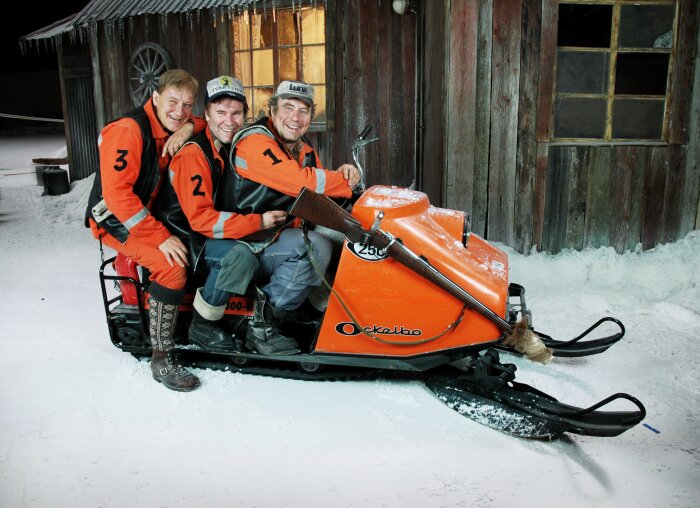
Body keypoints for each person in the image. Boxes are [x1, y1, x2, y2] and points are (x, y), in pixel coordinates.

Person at [85, 69, 207, 392]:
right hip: (113, 218)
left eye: (187, 105)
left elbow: (205, 122)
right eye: (172, 102)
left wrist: (188, 129)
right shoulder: (128, 130)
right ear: (155, 98)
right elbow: (118, 197)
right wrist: (161, 237)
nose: (180, 112)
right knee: (172, 267)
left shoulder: (174, 124)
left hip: (141, 212)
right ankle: (161, 358)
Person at [226, 80, 361, 354]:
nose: (295, 118)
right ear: (272, 110)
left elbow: (322, 196)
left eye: (303, 111)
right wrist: (347, 183)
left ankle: (320, 311)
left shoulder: (303, 147)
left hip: (278, 234)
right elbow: (301, 183)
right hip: (250, 239)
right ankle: (262, 323)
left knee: (346, 238)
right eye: (288, 108)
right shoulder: (255, 142)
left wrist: (349, 183)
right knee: (317, 247)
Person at [164, 75, 289, 353]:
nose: (229, 121)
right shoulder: (193, 155)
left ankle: (251, 318)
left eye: (235, 113)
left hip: (211, 231)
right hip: (187, 237)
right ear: (206, 115)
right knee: (240, 255)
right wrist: (257, 221)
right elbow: (201, 220)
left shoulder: (229, 143)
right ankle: (203, 324)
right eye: (220, 113)